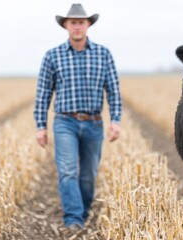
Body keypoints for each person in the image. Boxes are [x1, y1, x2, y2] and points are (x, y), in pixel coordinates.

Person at [33, 3, 122, 231]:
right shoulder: (52, 56)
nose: (77, 27)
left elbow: (113, 90)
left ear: (88, 24)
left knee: (89, 175)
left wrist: (115, 120)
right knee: (67, 171)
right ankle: (73, 218)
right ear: (66, 25)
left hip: (94, 123)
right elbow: (43, 93)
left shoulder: (104, 54)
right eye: (72, 22)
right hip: (65, 122)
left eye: (81, 22)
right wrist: (41, 126)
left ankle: (82, 211)